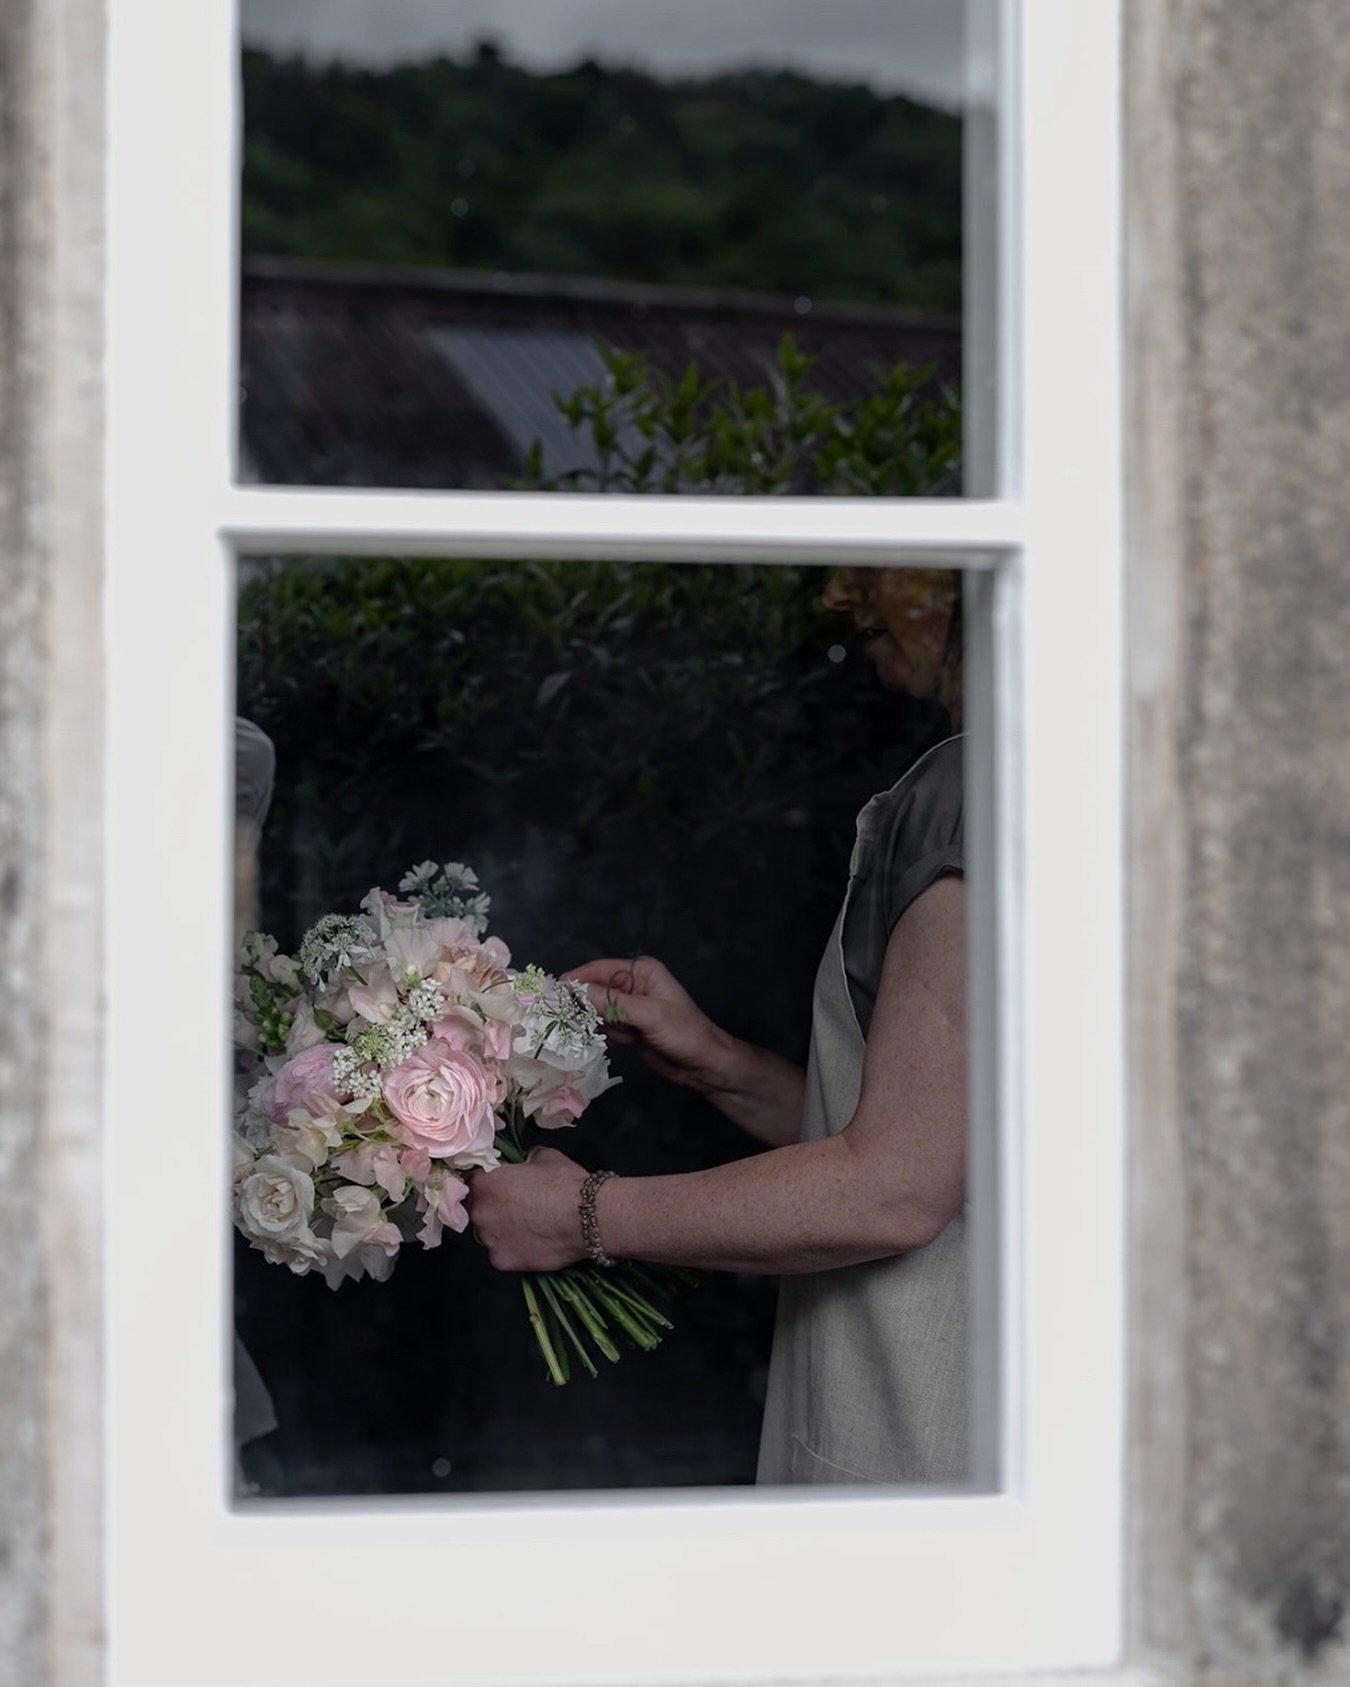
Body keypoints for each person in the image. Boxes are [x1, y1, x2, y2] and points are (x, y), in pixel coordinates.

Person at [467, 566, 969, 1485]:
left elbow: (898, 1185)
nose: (840, 598)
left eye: (889, 567)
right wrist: (717, 1063)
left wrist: (583, 1216)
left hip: (929, 1461)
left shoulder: (974, 791)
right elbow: (941, 1136)